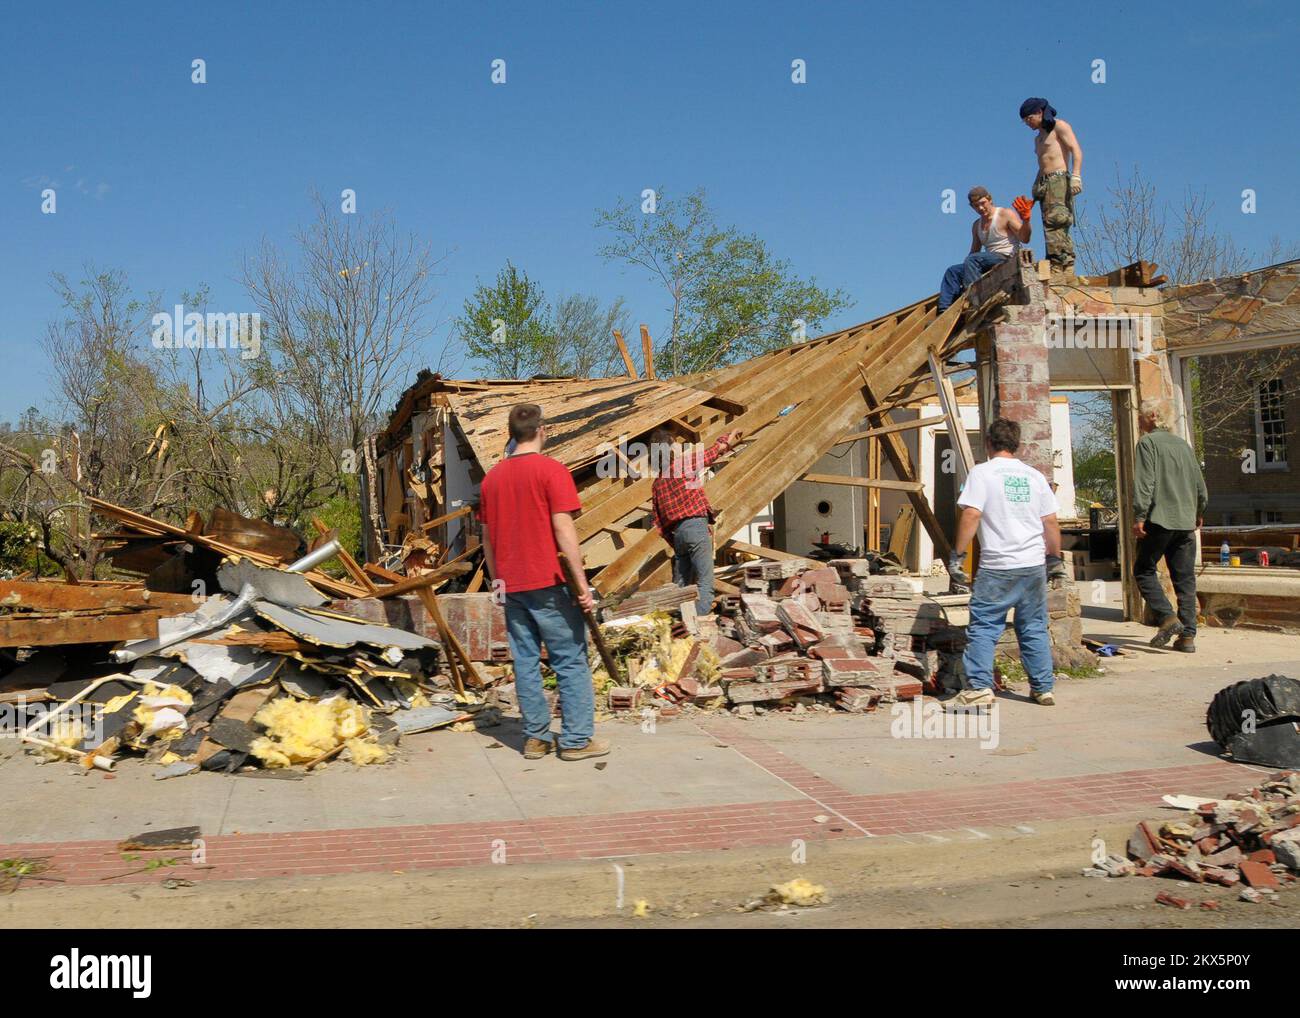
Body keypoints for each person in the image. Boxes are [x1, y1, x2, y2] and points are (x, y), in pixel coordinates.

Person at [478, 403, 609, 761]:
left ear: (511, 433)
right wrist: (583, 585)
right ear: (542, 430)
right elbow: (563, 529)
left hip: (512, 584)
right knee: (569, 659)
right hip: (550, 581)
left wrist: (496, 582)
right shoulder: (552, 471)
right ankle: (576, 740)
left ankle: (535, 738)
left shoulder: (492, 480)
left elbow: (487, 540)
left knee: (524, 660)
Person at [946, 417, 1067, 709]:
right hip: (1033, 565)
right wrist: (1054, 559)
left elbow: (971, 515)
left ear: (988, 443)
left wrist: (958, 556)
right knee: (1034, 626)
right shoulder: (1034, 476)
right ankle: (1043, 689)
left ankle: (979, 690)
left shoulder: (982, 473)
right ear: (1017, 445)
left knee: (985, 627)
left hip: (998, 566)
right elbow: (1050, 521)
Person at [1132, 399, 1208, 652]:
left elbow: (1146, 482)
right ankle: (1187, 637)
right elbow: (1200, 483)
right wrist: (1199, 510)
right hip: (1186, 521)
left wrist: (1140, 515)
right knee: (1185, 579)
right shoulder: (1183, 445)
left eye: (1140, 416)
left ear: (1152, 416)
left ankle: (1167, 617)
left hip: (1161, 518)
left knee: (1143, 569)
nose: (1138, 420)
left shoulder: (1147, 443)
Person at [648, 427, 743, 617]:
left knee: (681, 585)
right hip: (695, 527)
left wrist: (676, 543)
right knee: (705, 581)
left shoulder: (657, 483)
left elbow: (658, 523)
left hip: (678, 535)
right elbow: (711, 454)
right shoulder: (682, 465)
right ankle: (698, 621)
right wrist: (728, 438)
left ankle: (676, 618)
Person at [937, 186, 1032, 312]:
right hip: (988, 260)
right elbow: (974, 252)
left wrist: (1026, 221)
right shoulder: (977, 225)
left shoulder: (1004, 214)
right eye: (976, 206)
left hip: (1007, 257)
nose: (980, 208)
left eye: (983, 203)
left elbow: (1024, 238)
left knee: (972, 260)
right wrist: (965, 272)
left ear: (990, 199)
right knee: (953, 271)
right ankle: (944, 310)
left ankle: (976, 300)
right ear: (972, 207)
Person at [1019, 97, 1084, 274]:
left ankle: (1063, 267)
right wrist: (1036, 186)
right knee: (1049, 224)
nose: (1027, 123)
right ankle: (1056, 263)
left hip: (1059, 179)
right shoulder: (1038, 139)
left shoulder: (1059, 126)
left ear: (1039, 112)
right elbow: (1042, 164)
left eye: (1029, 119)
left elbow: (1076, 150)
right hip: (1045, 183)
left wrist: (1076, 176)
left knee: (1058, 221)